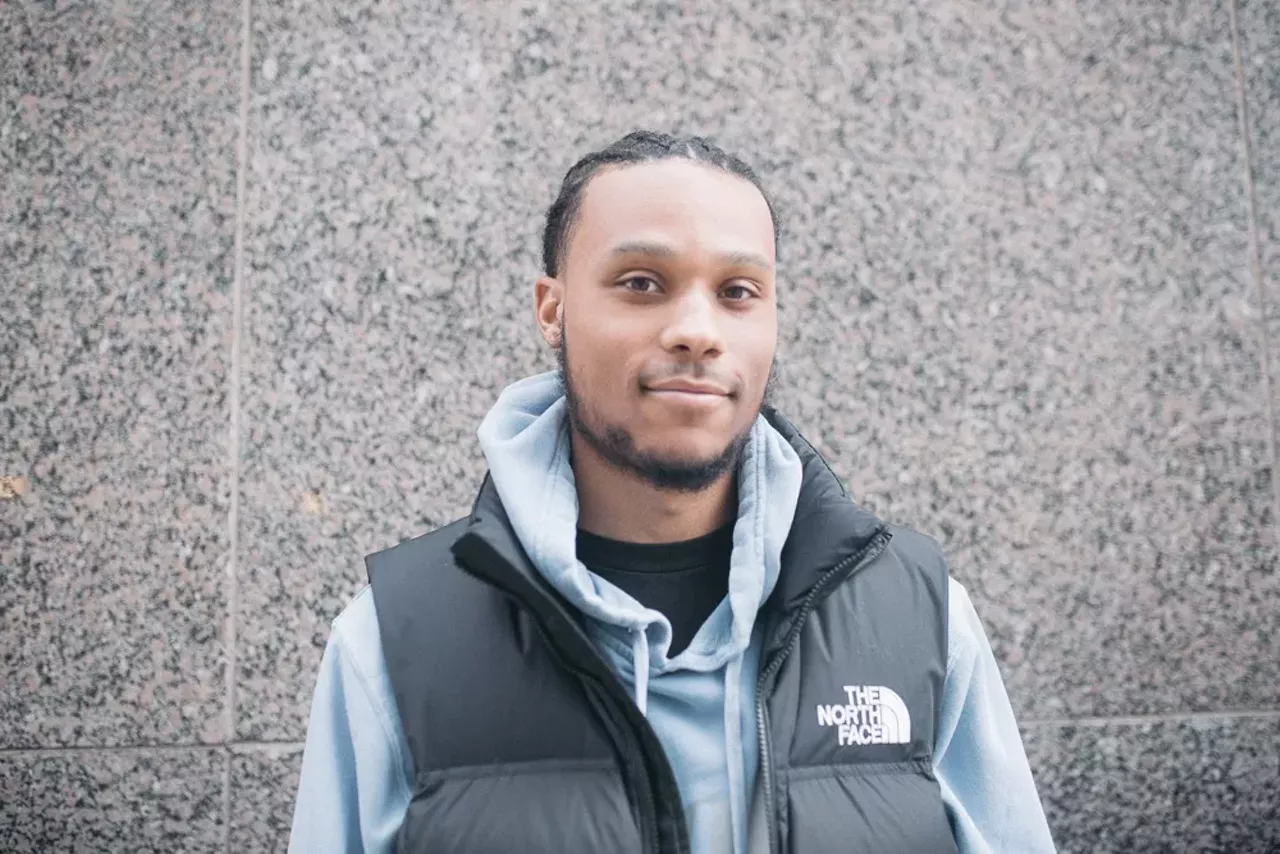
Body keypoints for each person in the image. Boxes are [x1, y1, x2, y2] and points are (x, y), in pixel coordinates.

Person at [287, 130, 1057, 854]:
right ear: (552, 312)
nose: (697, 329)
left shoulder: (921, 620)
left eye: (738, 291)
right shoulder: (393, 642)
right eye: (642, 283)